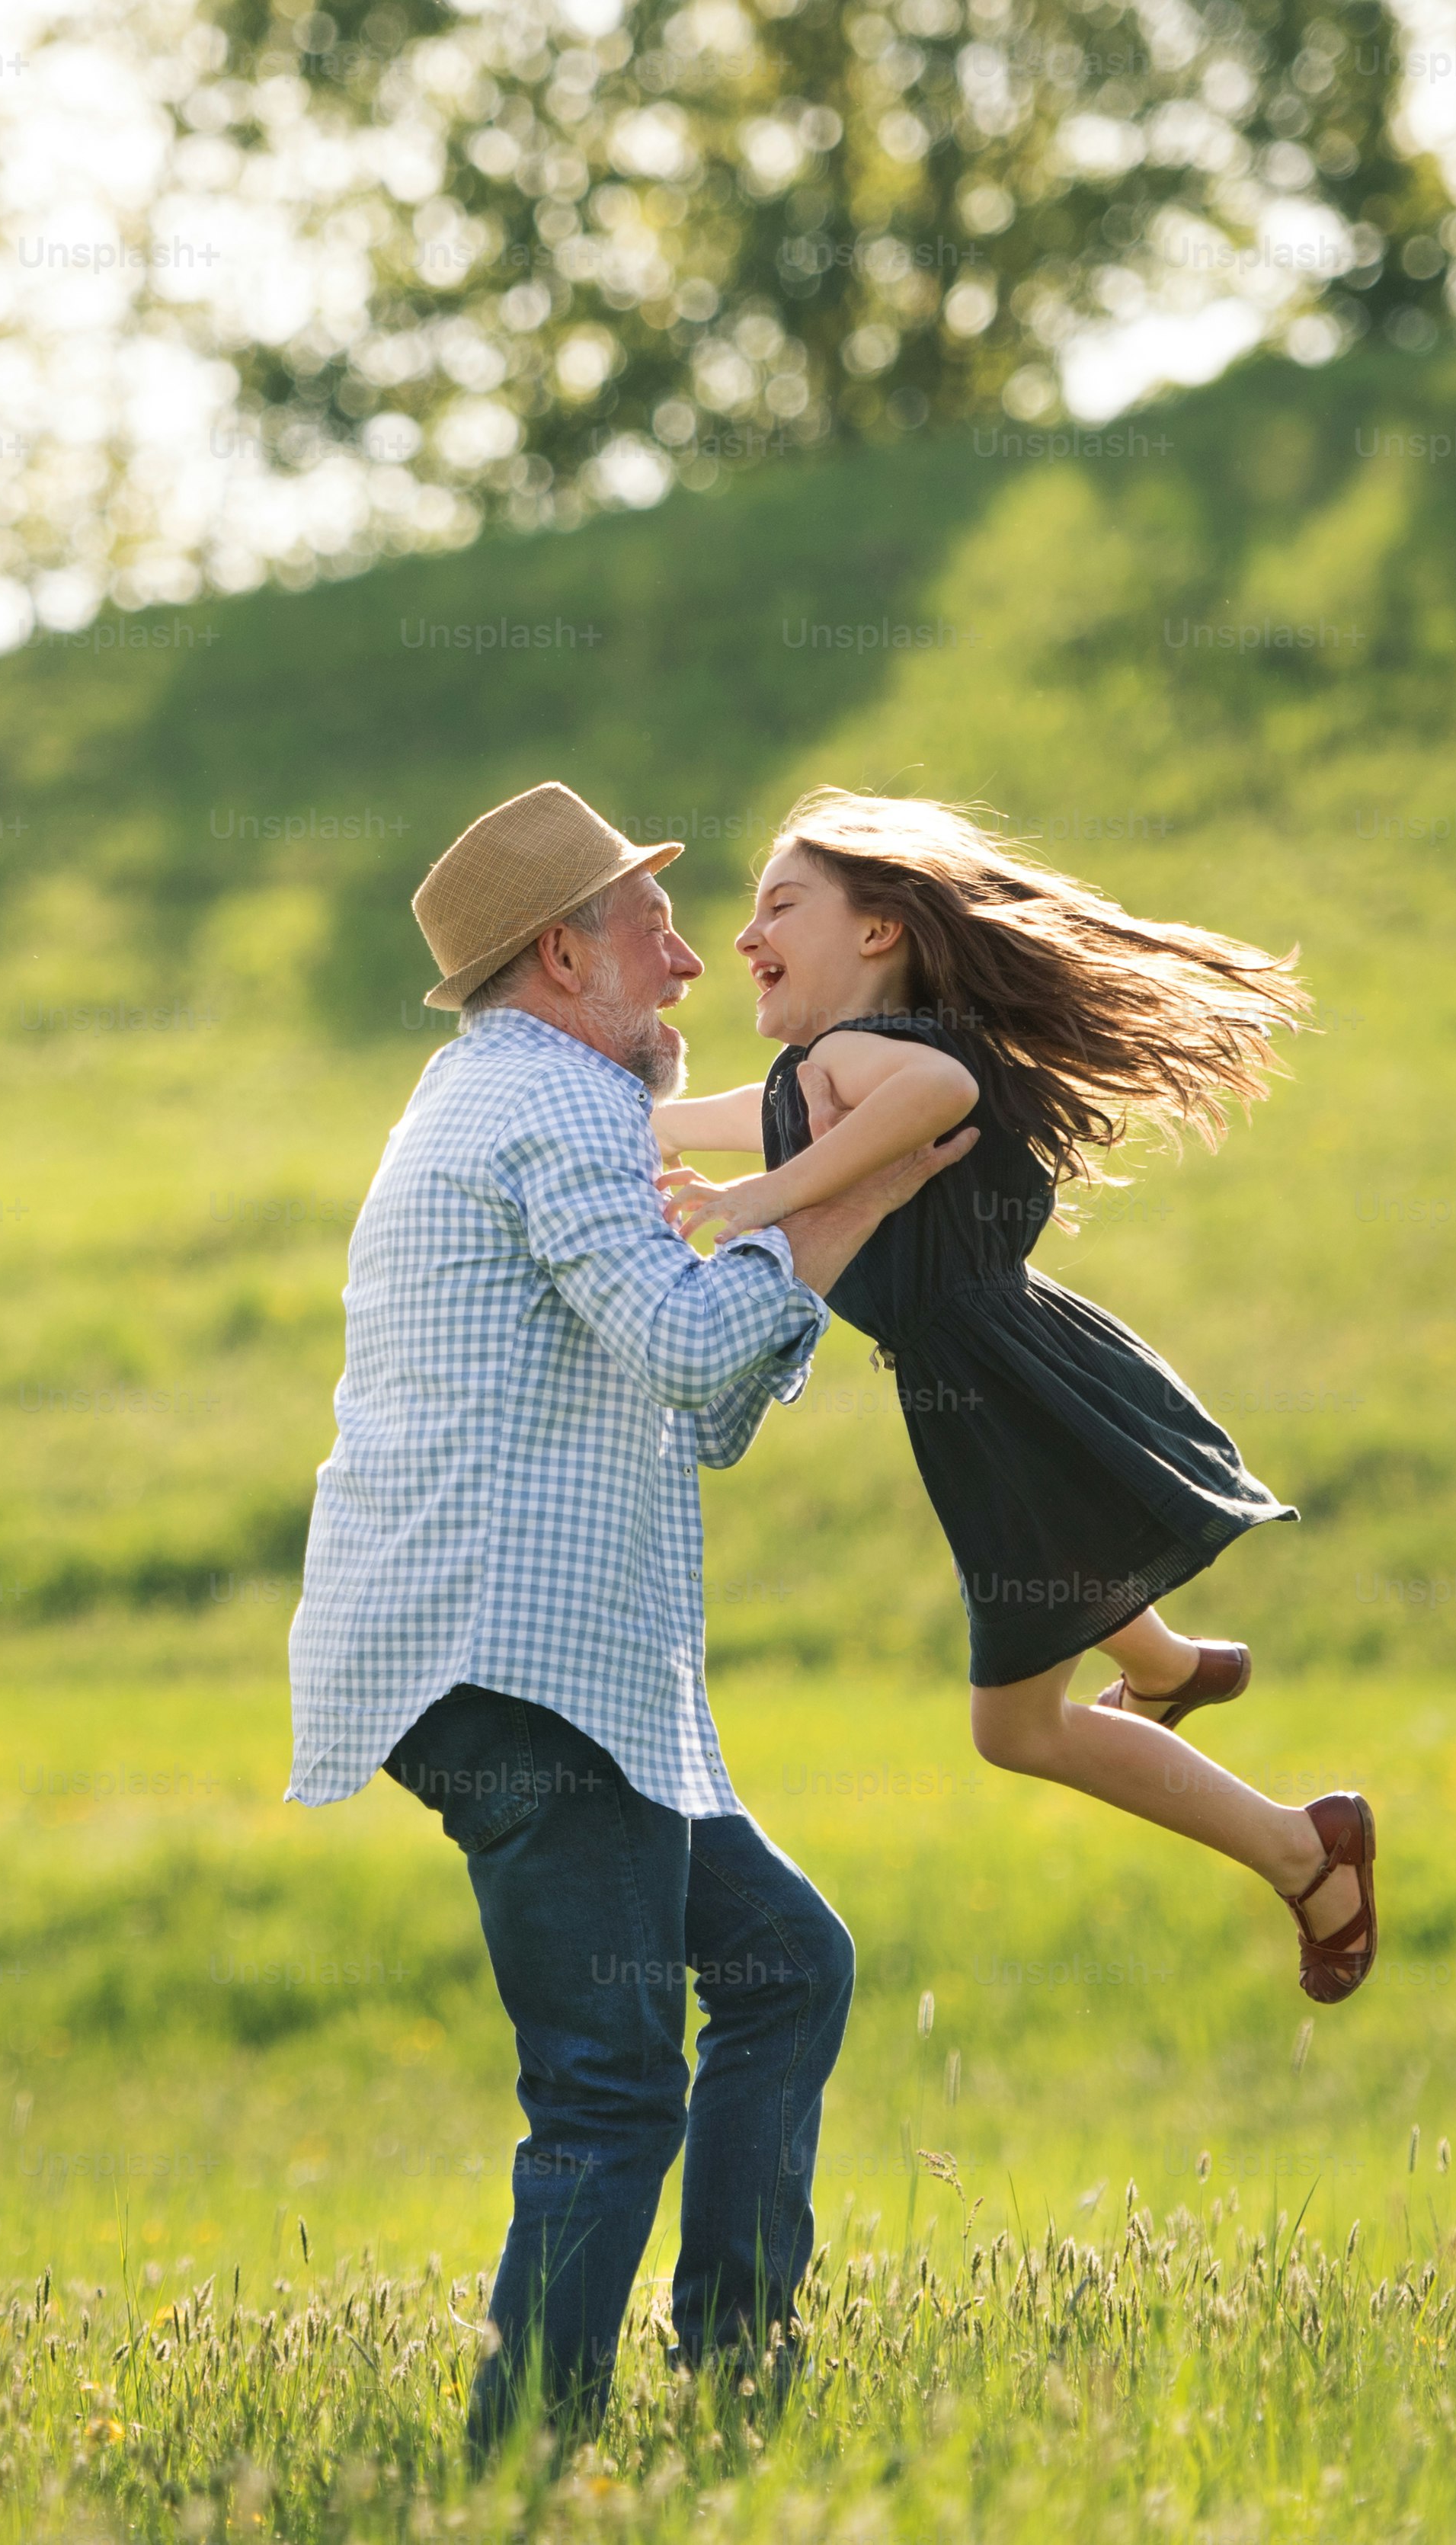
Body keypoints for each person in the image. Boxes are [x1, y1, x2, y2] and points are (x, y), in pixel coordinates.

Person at [288, 782, 975, 2457]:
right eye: (649, 928)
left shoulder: (510, 1094)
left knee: (781, 1963)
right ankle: (523, 2454)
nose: (688, 963)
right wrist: (838, 1201)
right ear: (559, 955)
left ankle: (731, 2376)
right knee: (604, 2082)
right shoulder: (559, 1107)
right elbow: (688, 1353)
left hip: (532, 1668)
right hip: (510, 1664)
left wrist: (804, 1226)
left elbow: (694, 1403)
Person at [651, 790, 1377, 2002]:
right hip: (1003, 1370)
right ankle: (1171, 1667)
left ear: (879, 932)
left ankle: (1309, 1849)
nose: (744, 937)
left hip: (998, 1383)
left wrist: (758, 1203)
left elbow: (936, 1105)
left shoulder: (866, 1057)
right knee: (1037, 1664)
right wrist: (607, 1121)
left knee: (1018, 1730)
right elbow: (736, 1119)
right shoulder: (825, 1070)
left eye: (780, 905)